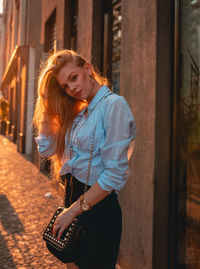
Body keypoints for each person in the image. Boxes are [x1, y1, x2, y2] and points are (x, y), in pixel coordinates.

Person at [33, 49, 136, 269]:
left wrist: (72, 211)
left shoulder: (113, 106)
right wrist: (48, 103)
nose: (72, 88)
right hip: (73, 200)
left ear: (87, 68)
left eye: (74, 78)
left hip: (97, 210)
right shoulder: (80, 111)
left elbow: (114, 174)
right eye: (65, 86)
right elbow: (46, 148)